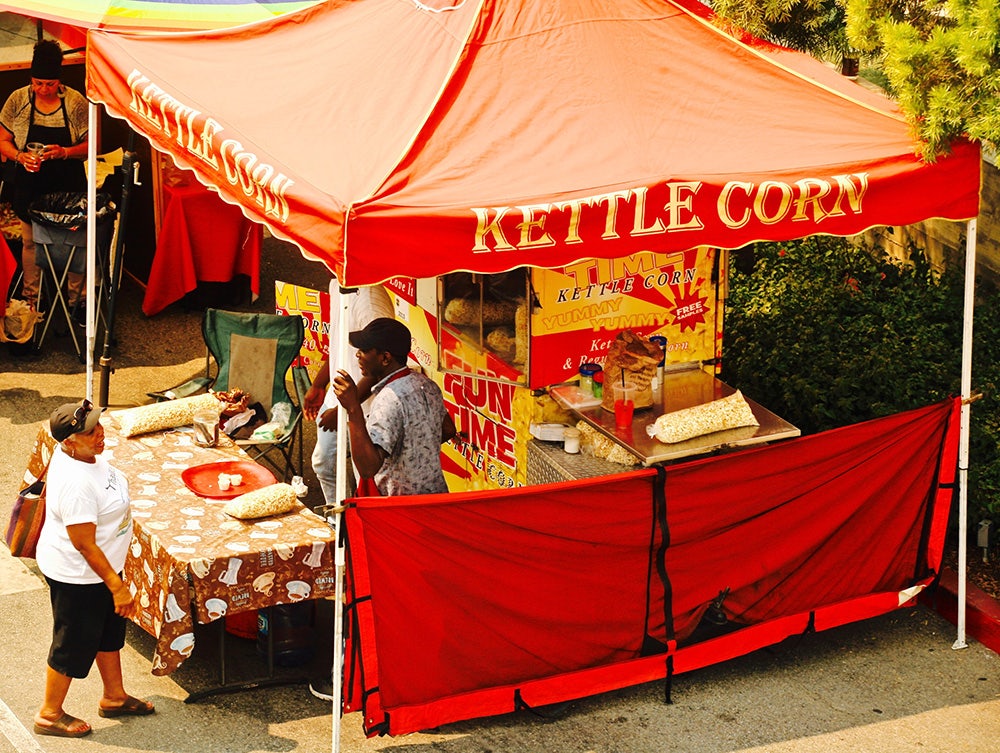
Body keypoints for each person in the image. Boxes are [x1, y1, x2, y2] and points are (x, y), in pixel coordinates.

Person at [32, 399, 154, 738]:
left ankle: (114, 696)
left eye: (98, 427)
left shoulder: (82, 456)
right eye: (90, 432)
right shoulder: (76, 484)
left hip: (103, 569)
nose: (99, 434)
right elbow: (83, 543)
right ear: (69, 441)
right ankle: (49, 714)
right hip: (80, 576)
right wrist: (116, 585)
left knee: (108, 633)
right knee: (72, 643)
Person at [0, 40, 89, 315]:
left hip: (68, 185)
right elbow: (2, 139)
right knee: (30, 242)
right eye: (37, 83)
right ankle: (31, 302)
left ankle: (79, 301)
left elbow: (90, 146)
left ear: (58, 81)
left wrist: (64, 151)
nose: (42, 89)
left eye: (48, 84)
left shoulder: (75, 102)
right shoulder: (18, 99)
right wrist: (19, 156)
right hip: (30, 184)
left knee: (75, 244)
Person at [333, 317, 456, 496]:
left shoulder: (388, 399)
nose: (358, 354)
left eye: (365, 350)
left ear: (385, 358)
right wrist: (415, 450)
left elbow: (367, 468)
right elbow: (448, 430)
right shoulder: (427, 384)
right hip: (436, 498)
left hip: (401, 507)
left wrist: (353, 408)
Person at [302, 283, 394, 506]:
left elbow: (383, 363)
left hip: (365, 410)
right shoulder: (337, 283)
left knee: (365, 477)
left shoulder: (370, 301)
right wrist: (319, 383)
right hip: (338, 401)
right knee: (324, 464)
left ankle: (356, 526)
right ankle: (340, 523)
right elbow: (340, 344)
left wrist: (345, 410)